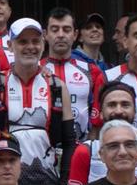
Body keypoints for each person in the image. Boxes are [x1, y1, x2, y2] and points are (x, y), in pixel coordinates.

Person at [0, 17, 74, 185]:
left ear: (43, 43)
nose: (30, 47)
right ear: (10, 45)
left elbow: (70, 142)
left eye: (35, 41)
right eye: (22, 41)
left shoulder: (57, 86)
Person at [64, 80, 137, 185]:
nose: (119, 111)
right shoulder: (85, 151)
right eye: (111, 105)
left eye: (125, 105)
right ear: (100, 113)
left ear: (135, 112)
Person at [43, 8, 102, 140]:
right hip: (44, 149)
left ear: (75, 35)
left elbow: (97, 120)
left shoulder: (92, 72)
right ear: (45, 34)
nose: (60, 34)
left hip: (80, 147)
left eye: (66, 29)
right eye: (54, 29)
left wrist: (89, 148)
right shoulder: (36, 69)